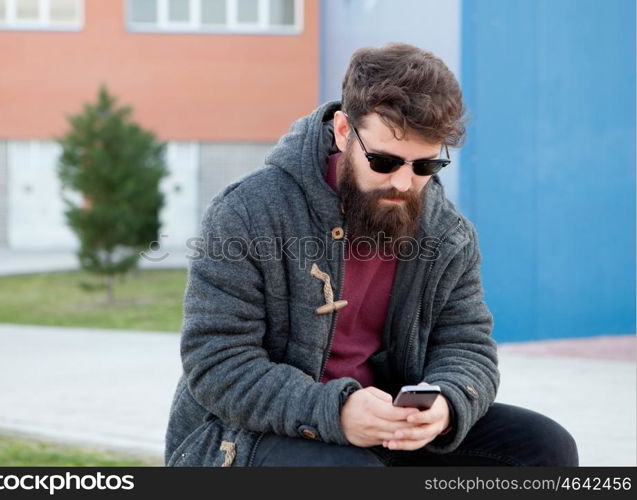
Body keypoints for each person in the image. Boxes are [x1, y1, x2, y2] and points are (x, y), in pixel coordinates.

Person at [164, 43, 578, 467]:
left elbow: (467, 344)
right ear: (344, 131)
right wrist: (337, 412)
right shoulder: (249, 211)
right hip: (246, 437)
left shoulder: (449, 234)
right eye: (383, 161)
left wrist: (448, 406)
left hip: (386, 431)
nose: (402, 182)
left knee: (545, 448)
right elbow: (217, 363)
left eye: (425, 167)